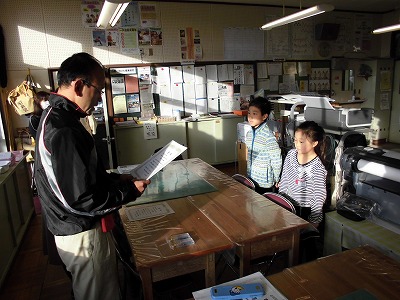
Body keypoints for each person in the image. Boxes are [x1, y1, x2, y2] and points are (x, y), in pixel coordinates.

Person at [34, 52, 150, 300]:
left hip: (70, 227)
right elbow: (81, 198)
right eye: (98, 90)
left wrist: (116, 180)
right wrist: (128, 192)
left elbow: (79, 178)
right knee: (99, 294)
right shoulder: (64, 128)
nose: (99, 99)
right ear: (78, 85)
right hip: (82, 232)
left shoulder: (56, 116)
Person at [278, 120, 327, 229]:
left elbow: (318, 196)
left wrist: (314, 220)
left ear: (314, 143)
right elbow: (285, 179)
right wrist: (281, 202)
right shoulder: (291, 155)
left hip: (305, 210)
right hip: (288, 206)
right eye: (295, 140)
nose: (297, 145)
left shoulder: (317, 168)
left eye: (301, 142)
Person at [245, 96, 282, 194]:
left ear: (264, 116)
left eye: (254, 114)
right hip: (251, 177)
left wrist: (277, 178)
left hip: (264, 181)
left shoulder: (268, 136)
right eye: (249, 113)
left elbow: (276, 159)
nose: (250, 117)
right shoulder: (249, 133)